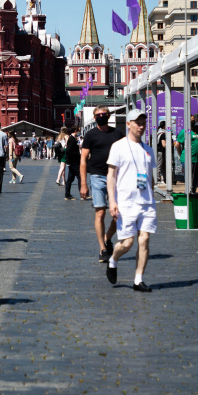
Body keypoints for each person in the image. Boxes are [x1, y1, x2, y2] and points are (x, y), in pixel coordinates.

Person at [105, 108, 157, 292]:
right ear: (128, 124)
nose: (141, 126)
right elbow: (111, 175)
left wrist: (151, 195)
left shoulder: (148, 149)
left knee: (144, 240)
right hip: (126, 201)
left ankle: (138, 279)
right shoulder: (118, 146)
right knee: (127, 242)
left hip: (146, 202)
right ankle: (113, 259)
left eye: (143, 123)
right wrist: (112, 201)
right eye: (137, 123)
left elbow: (149, 178)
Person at [80, 105, 124, 262]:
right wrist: (83, 184)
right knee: (100, 213)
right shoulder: (90, 135)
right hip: (97, 176)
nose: (100, 116)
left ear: (108, 115)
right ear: (94, 117)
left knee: (118, 213)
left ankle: (107, 237)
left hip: (117, 177)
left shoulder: (117, 133)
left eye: (103, 114)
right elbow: (83, 160)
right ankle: (103, 248)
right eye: (97, 114)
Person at [64, 127, 81, 200]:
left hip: (72, 162)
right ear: (75, 131)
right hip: (73, 162)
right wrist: (78, 154)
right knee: (80, 177)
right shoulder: (71, 139)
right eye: (78, 131)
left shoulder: (73, 138)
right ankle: (82, 194)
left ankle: (67, 194)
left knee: (70, 179)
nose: (78, 132)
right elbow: (68, 151)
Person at [155, 120, 167, 185]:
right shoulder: (162, 134)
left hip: (158, 151)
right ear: (164, 126)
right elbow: (163, 144)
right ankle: (157, 178)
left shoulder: (158, 132)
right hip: (160, 151)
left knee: (159, 165)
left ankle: (159, 178)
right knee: (159, 165)